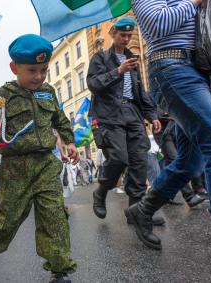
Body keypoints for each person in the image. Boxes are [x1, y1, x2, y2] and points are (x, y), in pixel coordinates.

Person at [0, 34, 79, 283]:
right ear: (15, 68)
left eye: (43, 70)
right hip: (16, 167)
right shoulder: (4, 94)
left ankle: (59, 269)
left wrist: (70, 141)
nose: (38, 76)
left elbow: (59, 119)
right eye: (32, 70)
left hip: (45, 163)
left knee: (54, 217)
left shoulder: (47, 92)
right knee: (10, 216)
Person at [127, 0, 211, 249]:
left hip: (200, 73)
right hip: (172, 69)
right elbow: (159, 24)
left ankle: (144, 209)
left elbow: (209, 33)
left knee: (191, 162)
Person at [87, 17, 163, 225]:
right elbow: (93, 84)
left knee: (140, 160)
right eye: (123, 35)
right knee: (119, 158)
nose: (127, 38)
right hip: (110, 114)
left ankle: (136, 211)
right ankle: (101, 191)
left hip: (133, 112)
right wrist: (118, 71)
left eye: (130, 35)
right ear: (113, 34)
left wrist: (153, 115)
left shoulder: (134, 60)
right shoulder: (101, 58)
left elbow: (140, 91)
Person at [153, 113, 204, 207]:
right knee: (174, 160)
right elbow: (157, 113)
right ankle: (189, 196)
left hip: (176, 130)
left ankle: (160, 196)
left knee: (172, 163)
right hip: (163, 131)